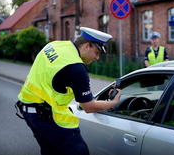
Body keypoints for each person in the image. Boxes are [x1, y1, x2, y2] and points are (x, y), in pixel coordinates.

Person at [15, 27, 121, 155]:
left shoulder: (55, 45)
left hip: (28, 111)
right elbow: (88, 107)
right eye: (97, 52)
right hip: (49, 118)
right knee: (79, 151)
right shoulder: (76, 68)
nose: (97, 57)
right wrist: (114, 102)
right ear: (86, 46)